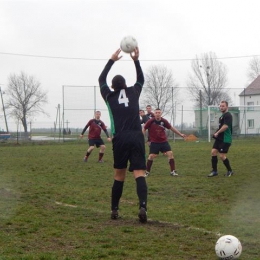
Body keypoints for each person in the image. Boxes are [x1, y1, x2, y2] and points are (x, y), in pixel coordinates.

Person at [98, 48, 148, 223]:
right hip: (136, 136)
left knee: (119, 175)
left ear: (112, 87)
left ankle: (114, 209)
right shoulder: (134, 92)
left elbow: (100, 79)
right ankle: (142, 206)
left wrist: (112, 60)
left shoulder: (109, 96)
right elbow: (141, 79)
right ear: (126, 84)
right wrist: (136, 60)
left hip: (120, 139)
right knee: (139, 174)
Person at [143, 108, 186, 177]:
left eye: (159, 112)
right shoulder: (151, 121)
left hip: (163, 142)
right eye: (156, 112)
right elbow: (144, 128)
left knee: (170, 153)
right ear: (154, 114)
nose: (157, 114)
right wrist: (141, 137)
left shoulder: (164, 121)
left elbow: (171, 128)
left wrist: (180, 134)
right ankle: (147, 172)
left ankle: (173, 171)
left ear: (161, 114)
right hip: (154, 142)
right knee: (151, 156)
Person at [208, 101, 233, 177]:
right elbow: (220, 127)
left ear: (227, 107)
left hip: (225, 139)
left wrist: (217, 133)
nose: (221, 107)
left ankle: (230, 171)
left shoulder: (228, 115)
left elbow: (225, 127)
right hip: (219, 138)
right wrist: (216, 133)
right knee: (213, 152)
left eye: (223, 106)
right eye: (220, 106)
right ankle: (214, 171)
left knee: (222, 156)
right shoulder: (221, 117)